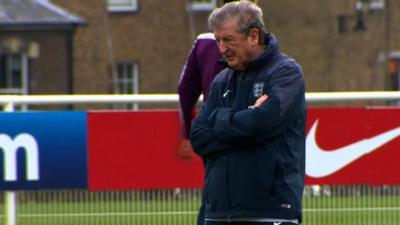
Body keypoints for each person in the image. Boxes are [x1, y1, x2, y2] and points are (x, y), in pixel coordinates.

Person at [190, 1, 306, 225]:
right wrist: (245, 121)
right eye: (218, 40)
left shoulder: (286, 73)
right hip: (217, 214)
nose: (222, 48)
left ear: (253, 36)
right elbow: (199, 136)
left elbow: (260, 123)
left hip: (271, 212)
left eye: (228, 39)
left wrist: (219, 118)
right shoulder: (221, 81)